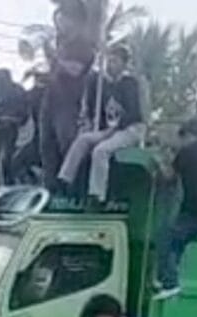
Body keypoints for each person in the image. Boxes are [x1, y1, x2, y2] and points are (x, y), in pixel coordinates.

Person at [56, 45, 147, 203]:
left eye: (114, 61)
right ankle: (65, 179)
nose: (110, 64)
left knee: (101, 150)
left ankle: (97, 194)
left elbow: (133, 113)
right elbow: (92, 108)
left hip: (130, 128)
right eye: (109, 60)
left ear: (124, 64)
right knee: (82, 140)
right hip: (108, 130)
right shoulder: (100, 83)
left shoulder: (130, 83)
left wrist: (112, 130)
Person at [154, 117, 197, 300]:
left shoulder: (187, 152)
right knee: (177, 242)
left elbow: (169, 178)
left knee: (166, 238)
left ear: (189, 135)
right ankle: (166, 278)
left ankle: (170, 282)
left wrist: (160, 161)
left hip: (194, 209)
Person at [40, 1, 97, 191]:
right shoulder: (61, 44)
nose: (61, 21)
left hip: (70, 104)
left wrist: (55, 58)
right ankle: (51, 191)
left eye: (64, 17)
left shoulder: (83, 45)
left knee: (67, 147)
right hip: (52, 101)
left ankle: (72, 192)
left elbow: (76, 70)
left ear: (75, 20)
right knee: (47, 148)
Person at [0, 69, 28, 187]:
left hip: (15, 131)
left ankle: (9, 180)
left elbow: (24, 116)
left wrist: (9, 119)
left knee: (8, 158)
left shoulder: (18, 92)